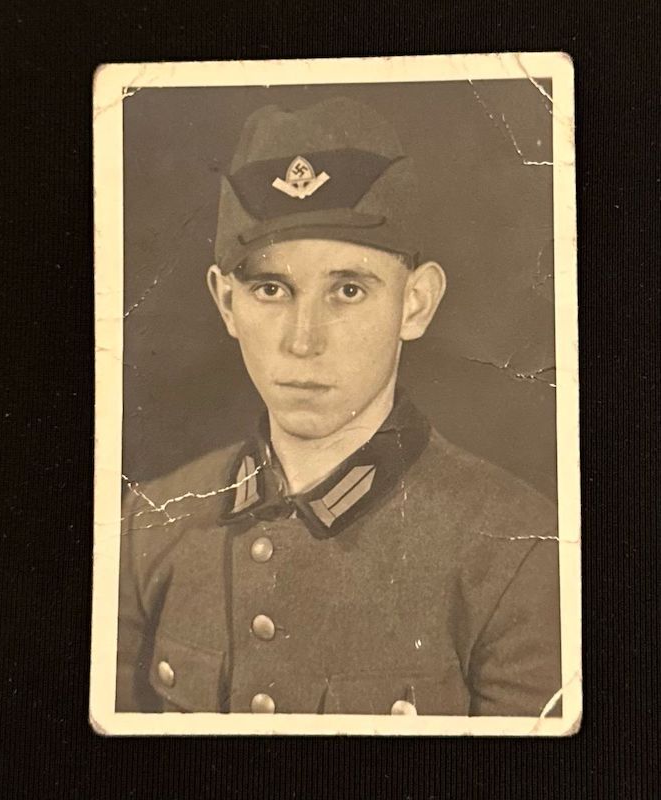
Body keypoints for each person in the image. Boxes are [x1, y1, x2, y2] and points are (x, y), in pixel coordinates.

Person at [116, 97, 561, 716]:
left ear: (415, 303)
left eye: (348, 290)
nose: (303, 341)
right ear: (226, 303)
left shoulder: (521, 552)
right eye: (271, 289)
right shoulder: (148, 525)